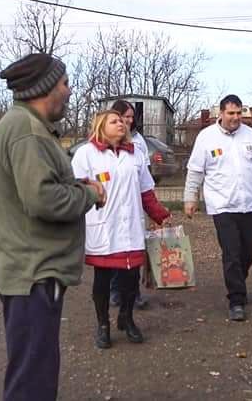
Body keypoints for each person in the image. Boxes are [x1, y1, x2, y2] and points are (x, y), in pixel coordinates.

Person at [0, 53, 106, 401]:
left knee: (34, 370)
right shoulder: (27, 131)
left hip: (30, 271)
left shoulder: (26, 127)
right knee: (32, 382)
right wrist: (88, 194)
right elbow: (42, 200)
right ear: (45, 89)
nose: (69, 92)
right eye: (65, 84)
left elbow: (43, 186)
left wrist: (76, 186)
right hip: (34, 273)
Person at [71, 110, 170, 349]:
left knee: (130, 278)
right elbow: (73, 186)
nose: (121, 124)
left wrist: (159, 215)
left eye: (123, 121)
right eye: (114, 121)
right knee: (102, 280)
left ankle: (126, 318)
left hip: (131, 227)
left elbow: (146, 190)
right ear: (100, 126)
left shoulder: (135, 154)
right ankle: (103, 324)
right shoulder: (86, 153)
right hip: (104, 227)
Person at [183, 94, 252, 321]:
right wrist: (190, 198)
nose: (235, 118)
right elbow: (195, 171)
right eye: (230, 113)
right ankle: (236, 299)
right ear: (221, 114)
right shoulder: (206, 138)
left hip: (248, 204)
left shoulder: (251, 136)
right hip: (222, 204)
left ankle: (238, 282)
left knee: (248, 251)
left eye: (238, 113)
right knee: (232, 252)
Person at [109, 99, 151, 310]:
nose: (128, 121)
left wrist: (151, 205)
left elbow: (144, 173)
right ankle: (115, 290)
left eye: (131, 117)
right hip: (113, 208)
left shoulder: (138, 141)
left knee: (135, 249)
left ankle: (134, 293)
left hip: (134, 205)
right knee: (116, 248)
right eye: (124, 116)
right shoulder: (104, 143)